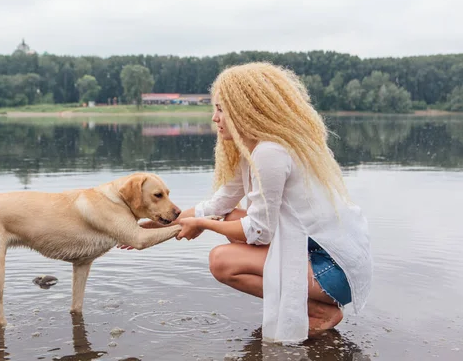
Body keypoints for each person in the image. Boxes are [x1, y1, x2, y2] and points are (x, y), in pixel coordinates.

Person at [125, 62, 372, 344]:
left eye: (221, 109)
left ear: (247, 109)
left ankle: (319, 311)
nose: (214, 118)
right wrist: (153, 230)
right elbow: (217, 205)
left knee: (221, 261)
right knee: (229, 217)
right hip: (315, 254)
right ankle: (317, 305)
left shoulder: (270, 153)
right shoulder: (253, 151)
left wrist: (203, 225)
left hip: (333, 269)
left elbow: (259, 231)